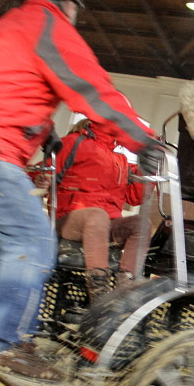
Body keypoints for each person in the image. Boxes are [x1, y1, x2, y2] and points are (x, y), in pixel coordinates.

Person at [0, 0, 165, 381]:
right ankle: (11, 344)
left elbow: (2, 86)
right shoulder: (51, 27)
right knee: (33, 244)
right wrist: (144, 139)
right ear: (70, 4)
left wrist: (45, 130)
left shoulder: (8, 24)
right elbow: (96, 94)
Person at [52, 118, 147, 301]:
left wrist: (147, 169)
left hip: (103, 224)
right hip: (70, 220)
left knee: (141, 224)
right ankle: (98, 290)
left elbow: (135, 198)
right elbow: (46, 170)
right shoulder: (73, 143)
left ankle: (125, 284)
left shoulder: (121, 160)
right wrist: (41, 179)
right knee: (97, 215)